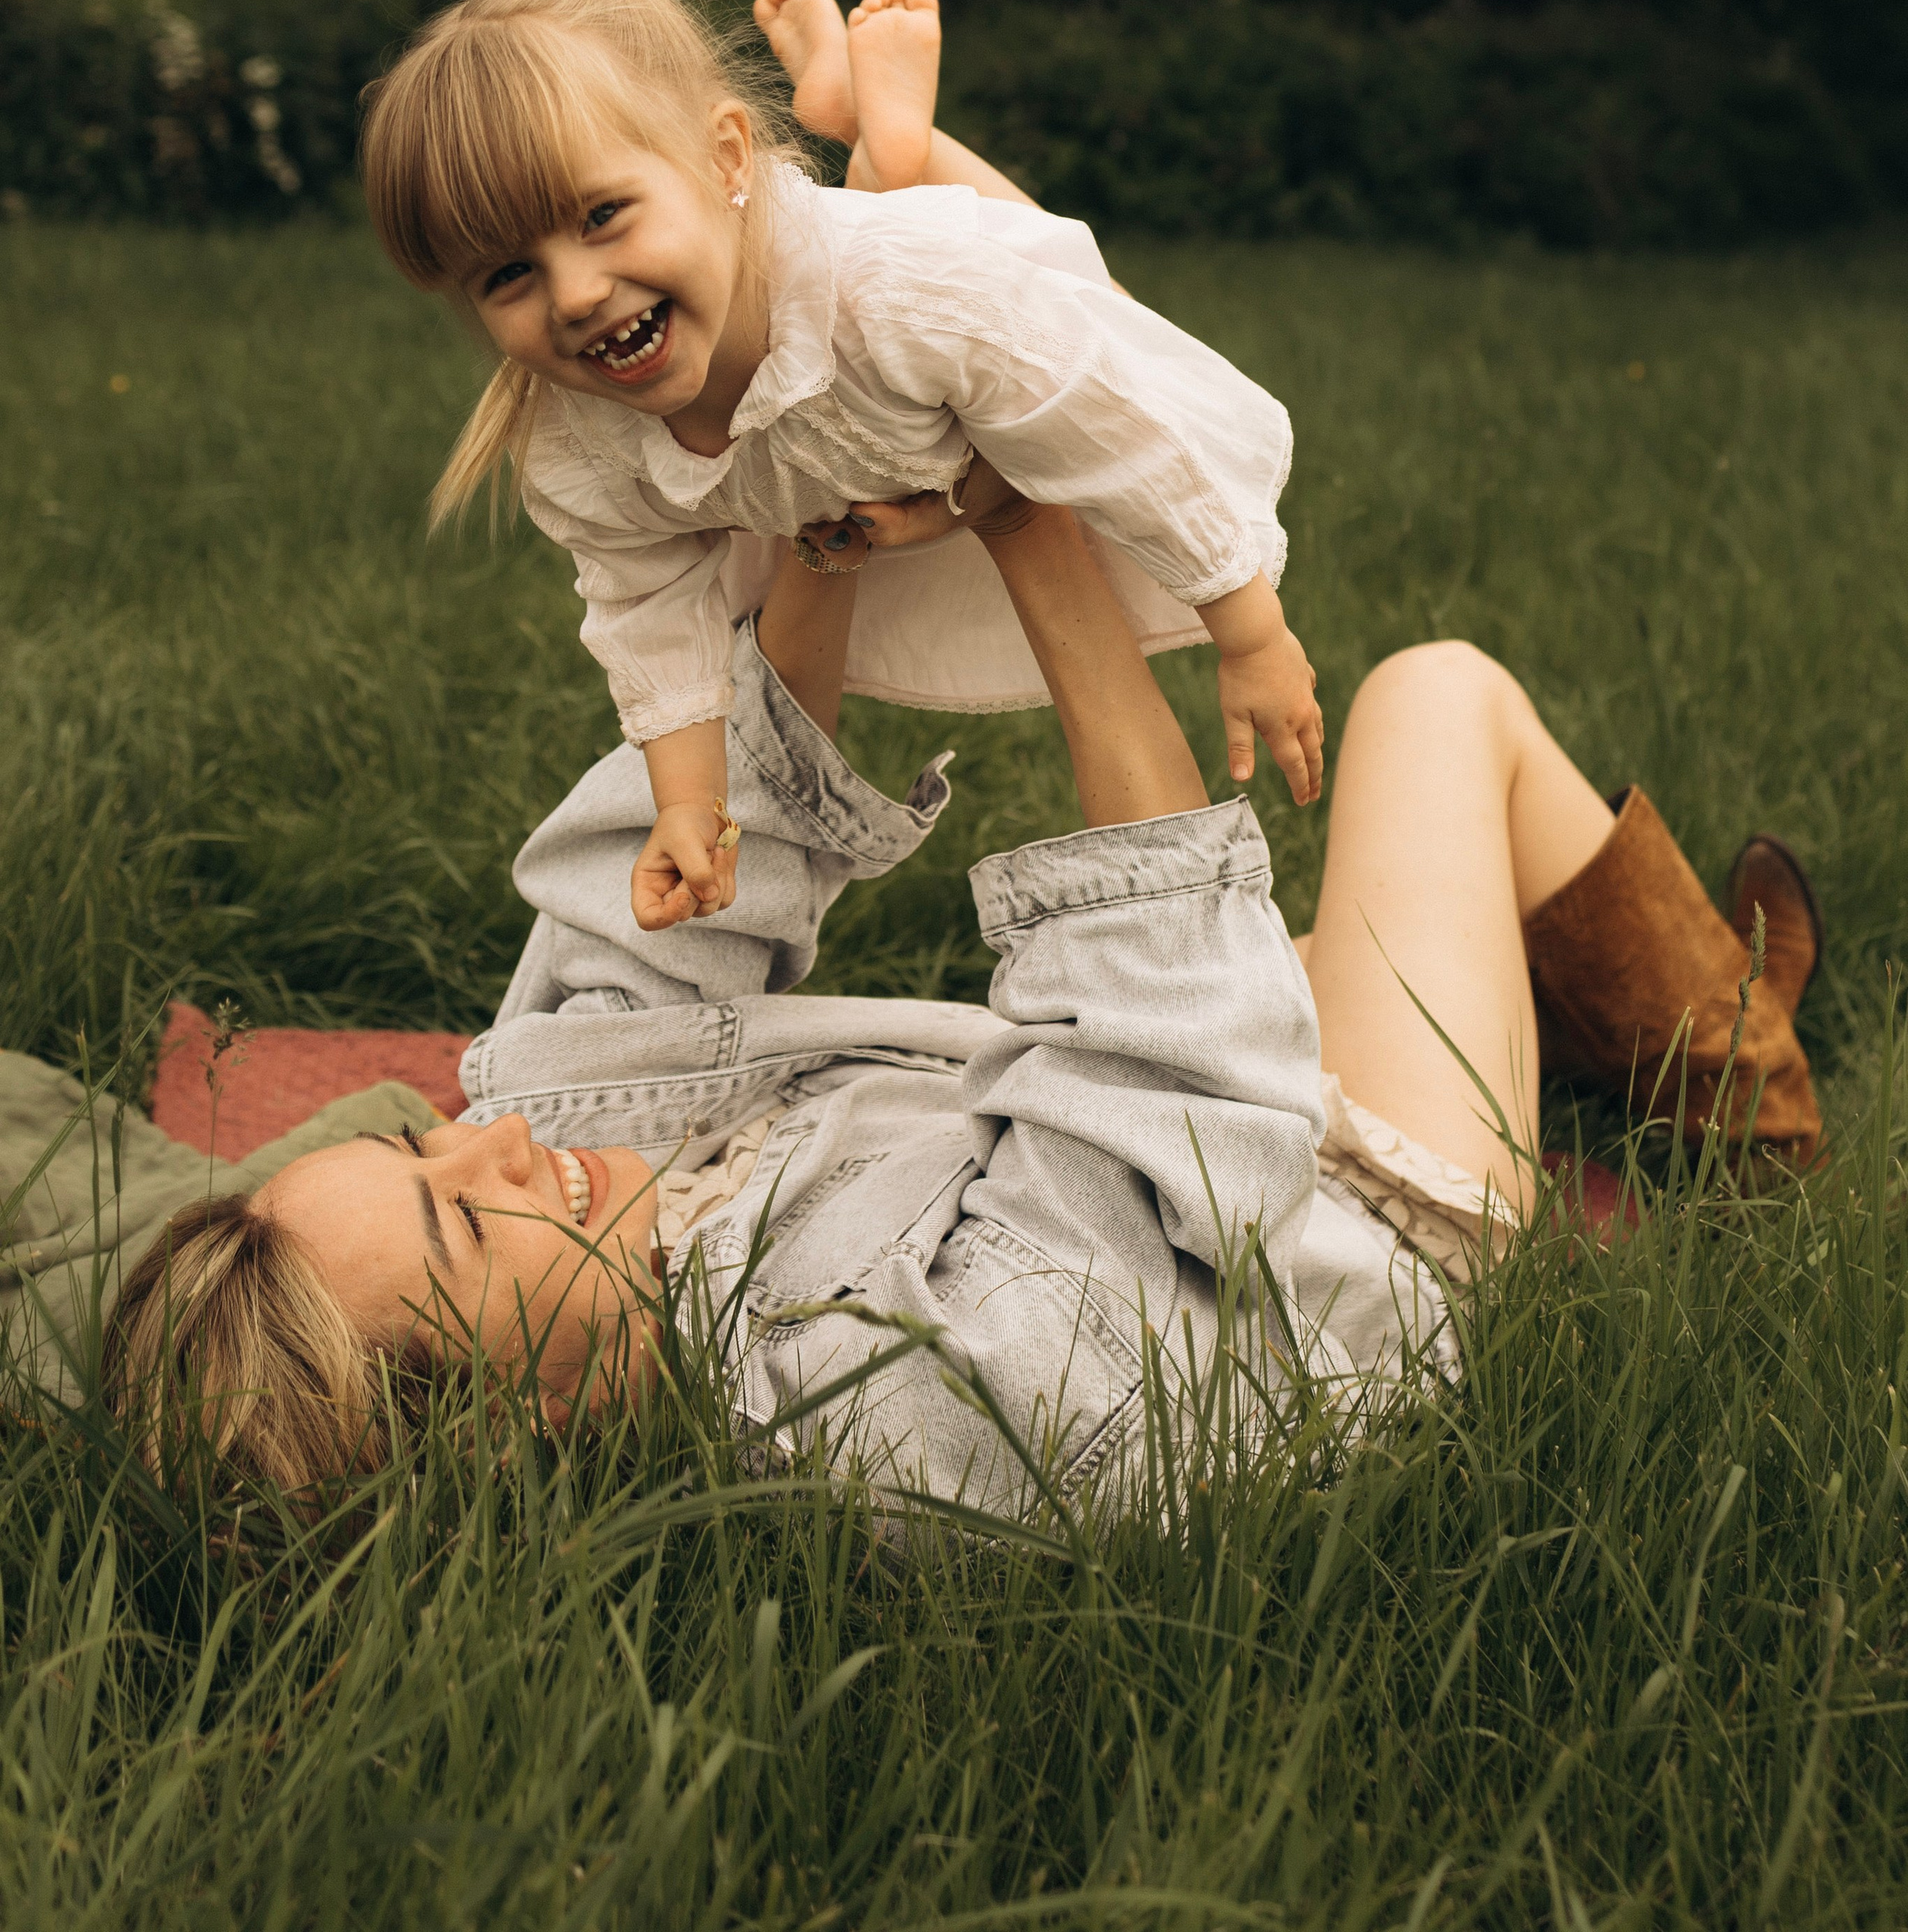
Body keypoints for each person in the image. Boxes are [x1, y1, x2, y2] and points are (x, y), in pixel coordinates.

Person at [104, 475, 1823, 1504]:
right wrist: (1032, 529)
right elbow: (1178, 1065)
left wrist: (817, 521)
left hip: (1176, 1130)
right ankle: (1748, 1090)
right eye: (465, 1227)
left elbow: (678, 899)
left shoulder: (594, 1209)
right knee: (1433, 704)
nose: (489, 1144)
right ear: (516, 1425)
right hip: (1341, 1227)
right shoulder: (870, 1405)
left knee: (1341, 924)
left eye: (420, 1151)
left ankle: (1657, 1002)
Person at [356, 0, 1324, 940]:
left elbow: (1106, 430)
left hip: (990, 341)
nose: (574, 293)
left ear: (729, 159)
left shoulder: (909, 293)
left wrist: (1250, 634)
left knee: (1044, 292)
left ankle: (894, 148)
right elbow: (646, 601)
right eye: (510, 273)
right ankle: (880, 149)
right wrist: (689, 800)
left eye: (603, 216)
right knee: (915, 336)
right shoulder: (579, 442)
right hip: (860, 437)